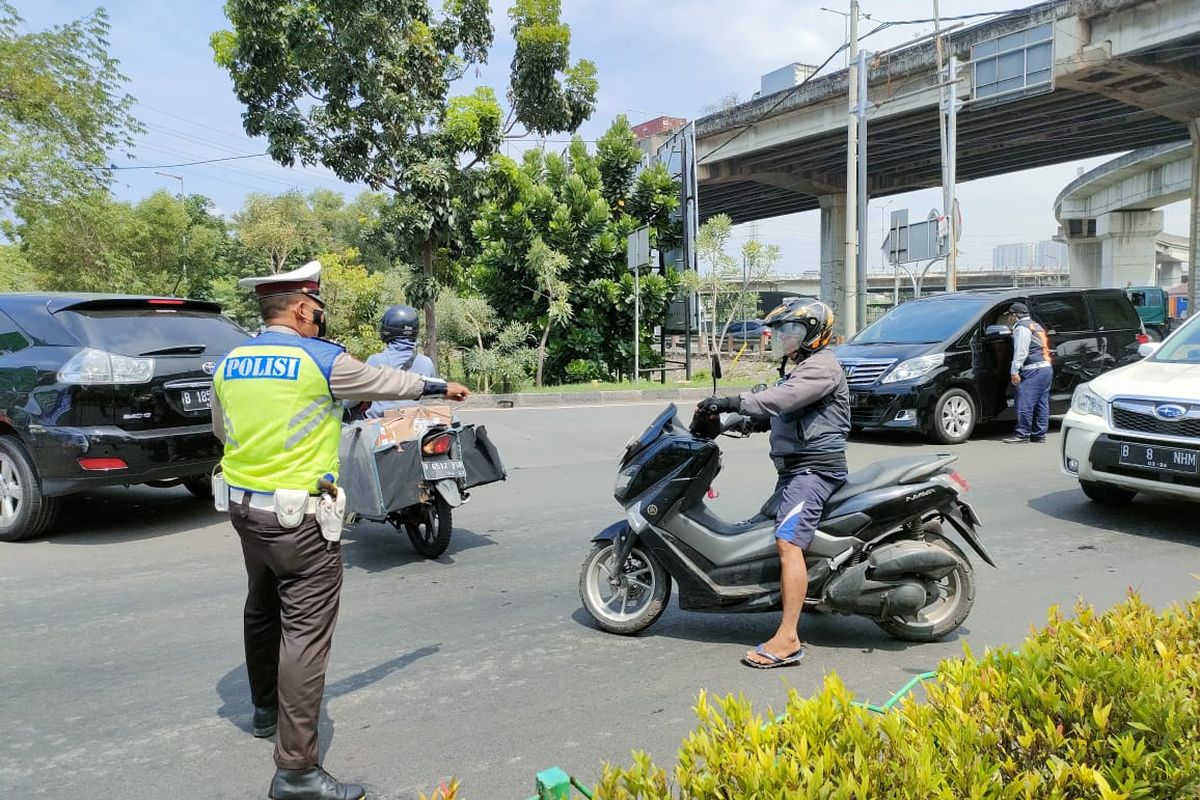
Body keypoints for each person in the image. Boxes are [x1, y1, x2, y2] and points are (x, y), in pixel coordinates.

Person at [210, 261, 470, 800]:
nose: (319, 317)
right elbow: (387, 383)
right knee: (304, 634)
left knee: (261, 605)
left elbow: (222, 429)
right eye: (318, 308)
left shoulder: (230, 361)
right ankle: (297, 772)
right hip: (299, 518)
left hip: (243, 510)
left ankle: (263, 710)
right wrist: (442, 385)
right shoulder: (319, 360)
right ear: (304, 308)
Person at [701, 297, 850, 669]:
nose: (786, 338)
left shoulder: (822, 367)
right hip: (796, 470)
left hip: (813, 471)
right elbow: (787, 412)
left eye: (794, 331)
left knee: (787, 540)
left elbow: (782, 399)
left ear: (814, 334)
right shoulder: (803, 368)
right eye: (784, 331)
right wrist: (740, 422)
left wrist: (733, 402)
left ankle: (788, 639)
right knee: (764, 528)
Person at [363, 304, 436, 417]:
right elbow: (431, 398)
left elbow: (350, 400)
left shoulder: (375, 361)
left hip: (381, 427)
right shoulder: (427, 363)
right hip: (417, 427)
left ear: (386, 330)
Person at [1002, 301, 1053, 444]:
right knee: (1041, 403)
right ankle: (1039, 435)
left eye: (1010, 316)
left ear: (1015, 315)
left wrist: (1014, 371)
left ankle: (1022, 434)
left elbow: (1021, 351)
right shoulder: (1035, 325)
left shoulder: (1021, 328)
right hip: (1046, 368)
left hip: (1033, 369)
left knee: (1024, 401)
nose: (1009, 319)